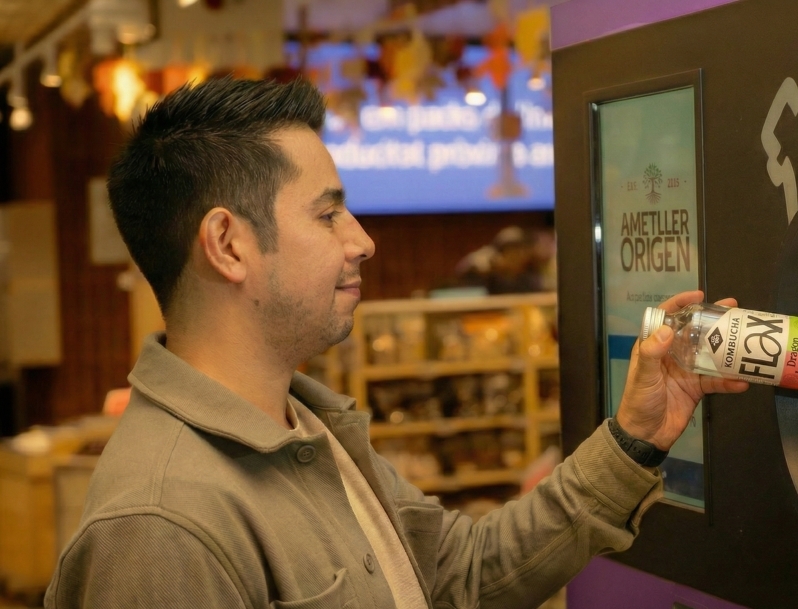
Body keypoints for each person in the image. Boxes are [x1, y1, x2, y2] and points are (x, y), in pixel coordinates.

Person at [45, 78, 747, 608]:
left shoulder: (307, 427)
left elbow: (460, 575)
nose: (362, 240)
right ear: (228, 244)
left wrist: (634, 435)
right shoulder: (160, 524)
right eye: (328, 214)